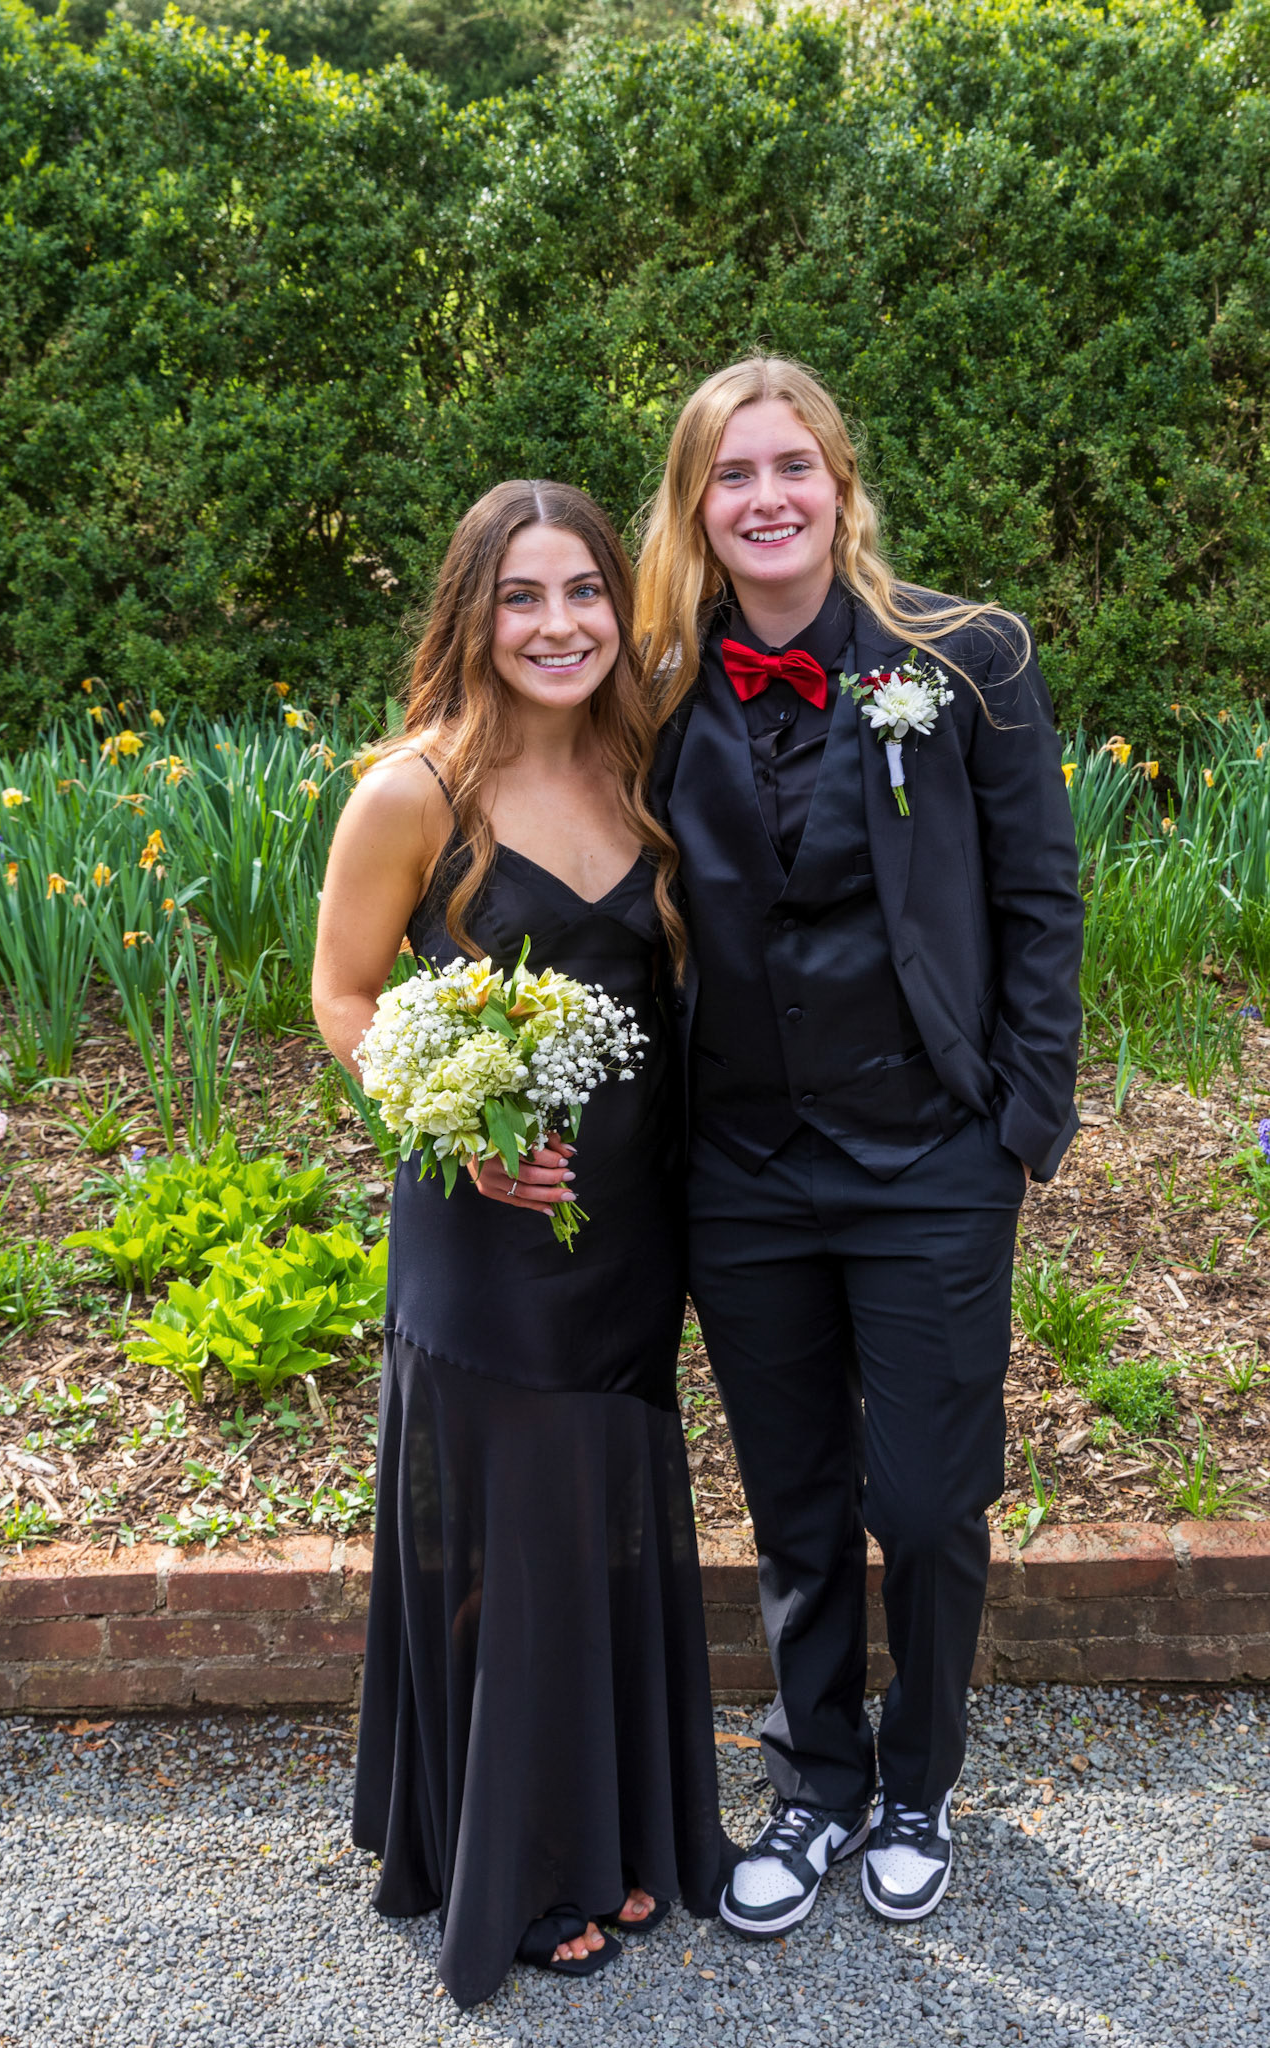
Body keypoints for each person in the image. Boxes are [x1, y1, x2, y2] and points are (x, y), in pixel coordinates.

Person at [637, 357, 1083, 1933]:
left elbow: (1038, 898)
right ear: (695, 504)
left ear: (837, 484)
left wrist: (1022, 1122)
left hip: (928, 1158)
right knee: (795, 1501)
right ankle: (816, 1782)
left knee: (929, 1499)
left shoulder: (963, 659)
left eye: (791, 467)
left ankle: (918, 1778)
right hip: (741, 1170)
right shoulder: (653, 688)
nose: (765, 498)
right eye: (732, 473)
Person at [312, 479, 734, 2009]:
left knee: (596, 1522)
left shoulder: (643, 766)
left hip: (629, 1230)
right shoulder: (413, 791)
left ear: (619, 605)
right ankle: (522, 1858)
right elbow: (343, 995)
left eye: (583, 592)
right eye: (522, 597)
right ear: (472, 615)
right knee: (516, 1528)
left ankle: (604, 1821)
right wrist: (448, 1121)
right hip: (484, 1233)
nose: (558, 625)